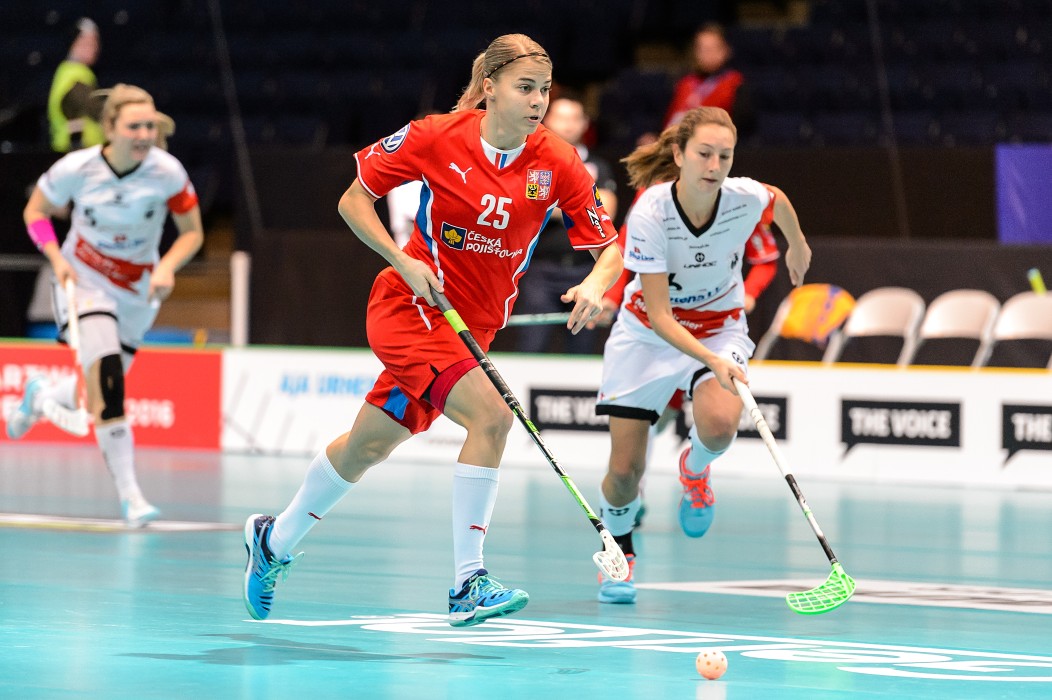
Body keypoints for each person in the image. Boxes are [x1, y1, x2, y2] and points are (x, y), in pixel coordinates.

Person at [242, 34, 622, 627]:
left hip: (475, 328)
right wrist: (401, 259)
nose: (537, 101)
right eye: (525, 87)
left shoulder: (558, 160)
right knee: (492, 417)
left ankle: (273, 540)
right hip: (414, 305)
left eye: (545, 90)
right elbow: (353, 201)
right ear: (490, 87)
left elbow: (609, 249)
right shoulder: (435, 136)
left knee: (368, 445)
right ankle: (468, 581)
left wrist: (597, 283)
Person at [593, 106, 811, 604]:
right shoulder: (650, 211)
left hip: (719, 326)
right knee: (624, 473)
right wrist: (712, 362)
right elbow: (660, 315)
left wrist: (797, 244)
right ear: (679, 154)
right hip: (647, 333)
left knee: (719, 425)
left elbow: (777, 200)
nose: (714, 166)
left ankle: (694, 471)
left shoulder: (742, 197)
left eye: (724, 157)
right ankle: (618, 551)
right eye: (704, 154)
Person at [5, 84, 205, 526]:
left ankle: (42, 396)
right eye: (134, 126)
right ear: (109, 128)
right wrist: (56, 258)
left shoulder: (167, 172)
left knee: (92, 393)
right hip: (85, 282)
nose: (144, 134)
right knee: (110, 383)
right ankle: (132, 498)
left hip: (138, 293)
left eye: (150, 126)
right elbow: (35, 212)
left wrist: (168, 266)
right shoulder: (77, 168)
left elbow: (192, 232)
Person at [515, 95, 619, 354]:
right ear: (547, 120)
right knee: (530, 347)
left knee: (582, 349)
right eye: (561, 118)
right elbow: (529, 208)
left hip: (585, 270)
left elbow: (606, 211)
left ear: (584, 123)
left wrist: (553, 204)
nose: (568, 125)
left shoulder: (597, 166)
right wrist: (582, 207)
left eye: (574, 118)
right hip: (540, 270)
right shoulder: (533, 161)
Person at [48, 17, 104, 153]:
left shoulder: (77, 73)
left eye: (95, 42)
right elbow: (94, 109)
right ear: (72, 44)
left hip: (84, 150)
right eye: (85, 43)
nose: (93, 47)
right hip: (76, 151)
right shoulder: (73, 75)